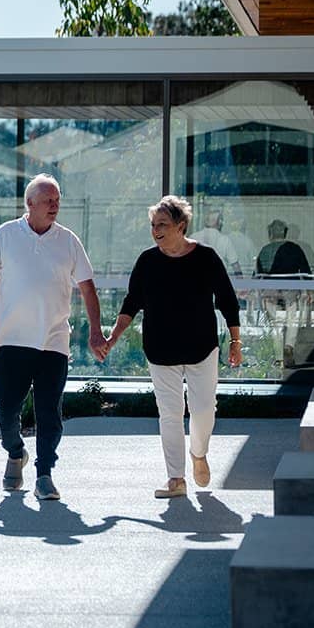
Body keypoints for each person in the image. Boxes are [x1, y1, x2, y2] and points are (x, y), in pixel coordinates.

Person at [0, 174, 107, 501]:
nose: (55, 205)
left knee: (49, 412)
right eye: (48, 200)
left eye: (57, 200)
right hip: (10, 339)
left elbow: (87, 287)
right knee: (6, 411)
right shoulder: (5, 234)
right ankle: (15, 451)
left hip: (53, 341)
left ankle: (44, 474)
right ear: (30, 203)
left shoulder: (68, 241)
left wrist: (95, 331)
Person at [103, 195, 242, 499]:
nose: (156, 230)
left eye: (162, 224)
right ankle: (176, 479)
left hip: (202, 348)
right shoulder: (147, 261)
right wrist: (113, 337)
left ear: (181, 226)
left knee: (203, 411)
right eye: (153, 225)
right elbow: (132, 302)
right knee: (170, 413)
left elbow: (228, 301)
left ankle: (199, 453)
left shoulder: (206, 257)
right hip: (160, 350)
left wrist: (235, 342)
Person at [255, 219, 311, 366]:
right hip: (290, 289)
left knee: (275, 323)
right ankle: (289, 346)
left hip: (270, 290)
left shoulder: (264, 250)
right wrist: (307, 290)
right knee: (292, 319)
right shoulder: (295, 249)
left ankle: (278, 355)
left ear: (270, 234)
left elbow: (258, 274)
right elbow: (306, 272)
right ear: (285, 233)